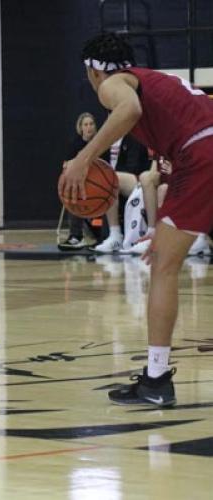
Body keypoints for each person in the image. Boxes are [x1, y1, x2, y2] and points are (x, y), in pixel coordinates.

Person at [59, 32, 213, 406]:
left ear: (92, 70)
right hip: (201, 152)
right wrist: (166, 225)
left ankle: (156, 380)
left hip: (203, 154)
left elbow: (129, 111)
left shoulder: (113, 84)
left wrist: (84, 159)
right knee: (165, 255)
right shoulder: (157, 82)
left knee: (163, 267)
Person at [59, 112, 110, 250]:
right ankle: (76, 236)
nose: (89, 127)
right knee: (73, 192)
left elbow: (106, 166)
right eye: (86, 124)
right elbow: (66, 165)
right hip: (82, 183)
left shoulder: (101, 142)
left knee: (106, 195)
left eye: (91, 124)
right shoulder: (75, 144)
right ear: (81, 128)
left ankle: (104, 237)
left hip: (99, 183)